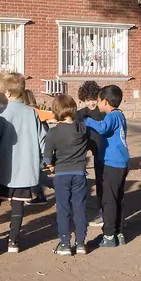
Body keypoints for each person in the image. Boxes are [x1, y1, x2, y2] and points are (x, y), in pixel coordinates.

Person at [0, 72, 46, 253]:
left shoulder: (0, 114)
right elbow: (43, 139)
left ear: (8, 92)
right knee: (18, 204)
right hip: (26, 169)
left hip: (2, 169)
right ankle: (14, 241)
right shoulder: (32, 113)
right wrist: (45, 160)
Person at [83, 85, 130, 248]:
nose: (97, 104)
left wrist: (87, 121)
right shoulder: (120, 115)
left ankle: (109, 235)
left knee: (108, 200)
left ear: (105, 101)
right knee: (118, 198)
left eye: (98, 101)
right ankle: (119, 232)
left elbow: (103, 128)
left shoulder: (111, 116)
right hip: (121, 162)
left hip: (112, 163)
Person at [43, 95, 89, 256]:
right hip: (79, 172)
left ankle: (65, 243)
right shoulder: (82, 128)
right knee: (80, 207)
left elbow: (47, 157)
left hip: (61, 173)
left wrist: (51, 167)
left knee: (63, 208)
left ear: (56, 111)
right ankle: (81, 242)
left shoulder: (54, 132)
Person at [75, 80, 106, 227]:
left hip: (102, 149)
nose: (91, 103)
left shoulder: (103, 112)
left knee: (101, 180)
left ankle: (103, 212)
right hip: (84, 148)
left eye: (93, 99)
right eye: (87, 100)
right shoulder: (80, 114)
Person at [23, 89, 53, 203]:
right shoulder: (36, 112)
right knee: (36, 174)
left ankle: (59, 187)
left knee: (38, 175)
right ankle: (40, 196)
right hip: (39, 148)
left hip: (37, 150)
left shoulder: (32, 112)